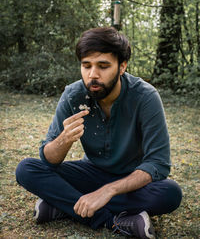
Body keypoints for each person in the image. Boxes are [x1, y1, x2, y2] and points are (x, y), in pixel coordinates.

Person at [16, 27, 182, 238]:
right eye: (86, 66)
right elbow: (49, 161)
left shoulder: (145, 97)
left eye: (103, 66)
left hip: (130, 181)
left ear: (122, 66)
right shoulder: (73, 95)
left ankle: (63, 205)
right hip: (90, 173)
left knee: (169, 193)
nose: (93, 74)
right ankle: (112, 221)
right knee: (26, 169)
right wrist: (63, 140)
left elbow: (158, 164)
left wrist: (108, 191)